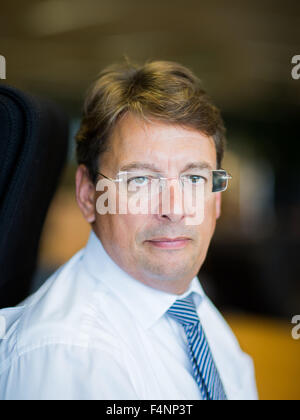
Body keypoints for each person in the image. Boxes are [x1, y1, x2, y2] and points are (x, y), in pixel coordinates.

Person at [0, 59, 258, 400]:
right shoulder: (70, 354)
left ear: (217, 200)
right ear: (88, 195)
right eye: (140, 180)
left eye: (194, 178)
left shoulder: (190, 307)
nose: (174, 209)